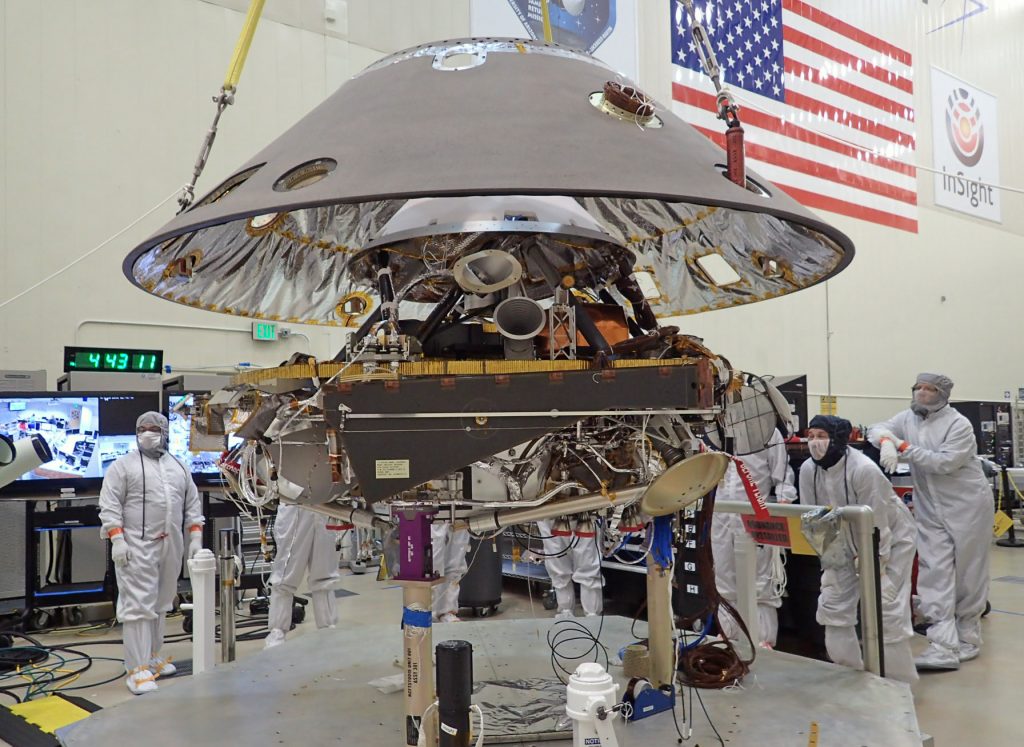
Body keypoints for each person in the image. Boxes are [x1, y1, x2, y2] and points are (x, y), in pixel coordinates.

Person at [869, 373, 991, 671]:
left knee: (969, 572)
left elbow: (944, 462)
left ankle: (968, 637)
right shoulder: (908, 418)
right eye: (918, 387)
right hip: (930, 507)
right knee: (933, 571)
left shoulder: (958, 424)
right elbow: (878, 427)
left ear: (943, 394)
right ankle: (943, 645)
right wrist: (885, 441)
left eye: (930, 388)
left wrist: (902, 448)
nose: (922, 393)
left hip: (967, 505)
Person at [800, 415, 918, 685]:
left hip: (891, 541)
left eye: (822, 436)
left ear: (838, 440)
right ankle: (851, 679)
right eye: (811, 436)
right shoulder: (808, 469)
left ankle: (898, 684)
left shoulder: (864, 470)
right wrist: (830, 560)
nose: (815, 442)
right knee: (833, 605)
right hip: (842, 541)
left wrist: (879, 570)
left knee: (885, 609)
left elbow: (878, 525)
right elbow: (813, 519)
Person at [99, 412, 204, 695]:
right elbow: (109, 505)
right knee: (137, 607)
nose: (147, 433)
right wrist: (117, 539)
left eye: (153, 428)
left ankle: (152, 657)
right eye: (142, 428)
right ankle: (136, 669)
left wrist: (195, 537)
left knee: (160, 603)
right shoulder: (123, 466)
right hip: (136, 547)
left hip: (171, 546)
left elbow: (192, 505)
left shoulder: (179, 467)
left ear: (165, 432)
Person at [712, 427, 796, 647]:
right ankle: (729, 635)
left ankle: (762, 639)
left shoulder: (766, 430)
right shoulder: (714, 430)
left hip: (756, 513)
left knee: (760, 581)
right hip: (720, 515)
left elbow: (783, 474)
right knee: (724, 578)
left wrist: (782, 506)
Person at [265, 502, 341, 647]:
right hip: (295, 504)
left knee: (324, 574)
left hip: (324, 506)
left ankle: (328, 628)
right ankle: (277, 632)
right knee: (285, 575)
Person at [536, 515, 603, 618]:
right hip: (549, 513)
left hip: (585, 512)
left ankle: (592, 615)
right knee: (558, 566)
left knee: (588, 567)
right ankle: (565, 611)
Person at [431, 521, 471, 622]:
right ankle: (430, 612)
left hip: (461, 516)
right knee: (434, 563)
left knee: (456, 562)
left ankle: (447, 611)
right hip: (434, 517)